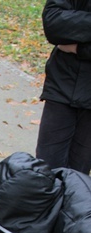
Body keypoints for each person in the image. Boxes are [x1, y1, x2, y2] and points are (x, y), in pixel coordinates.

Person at [36, 0, 91, 175]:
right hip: (61, 86)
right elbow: (53, 23)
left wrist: (80, 48)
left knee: (79, 178)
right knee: (45, 172)